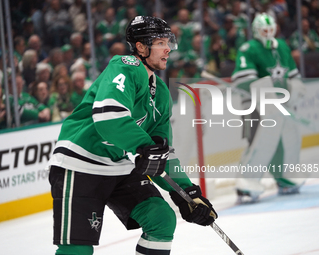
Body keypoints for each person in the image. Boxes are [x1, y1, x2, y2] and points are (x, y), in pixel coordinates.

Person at [46, 16, 217, 255]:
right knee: (78, 249)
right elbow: (108, 117)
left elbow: (161, 152)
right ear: (140, 46)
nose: (168, 48)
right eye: (160, 42)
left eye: (168, 42)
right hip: (80, 162)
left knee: (161, 219)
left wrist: (185, 193)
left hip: (117, 165)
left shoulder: (161, 93)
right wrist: (145, 148)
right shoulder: (125, 66)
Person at [231, 13, 306, 203]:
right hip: (255, 105)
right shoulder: (249, 48)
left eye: (270, 29)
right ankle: (246, 182)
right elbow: (244, 80)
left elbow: (292, 74)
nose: (267, 33)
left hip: (280, 105)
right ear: (256, 30)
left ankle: (284, 178)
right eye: (264, 30)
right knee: (260, 141)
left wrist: (294, 88)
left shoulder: (281, 46)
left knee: (286, 140)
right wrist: (267, 92)